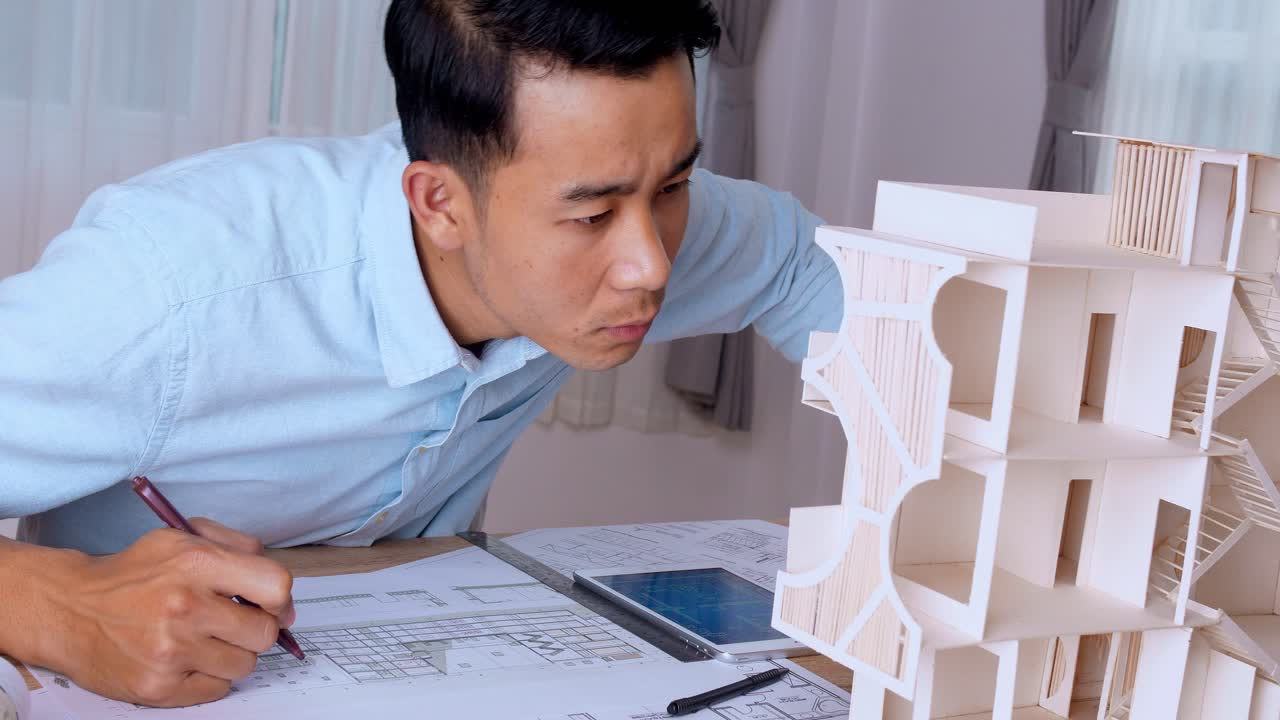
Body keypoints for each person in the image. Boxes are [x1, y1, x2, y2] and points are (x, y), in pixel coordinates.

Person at [0, 0, 840, 708]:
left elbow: (812, 267)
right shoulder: (169, 290)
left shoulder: (636, 209)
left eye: (675, 185)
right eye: (591, 217)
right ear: (439, 202)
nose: (652, 265)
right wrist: (55, 609)